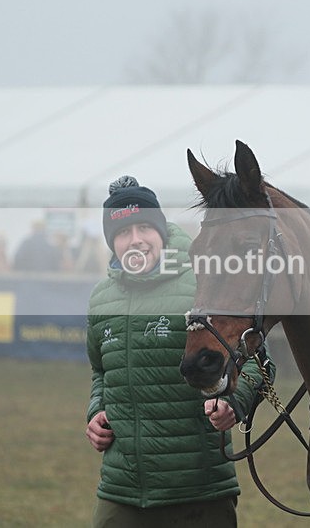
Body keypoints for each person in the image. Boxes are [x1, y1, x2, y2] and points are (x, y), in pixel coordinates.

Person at [83, 175, 274, 528]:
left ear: (162, 230)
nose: (135, 240)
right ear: (112, 242)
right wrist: (96, 411)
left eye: (144, 228)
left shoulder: (201, 282)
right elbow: (101, 372)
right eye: (123, 233)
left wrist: (234, 403)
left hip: (198, 494)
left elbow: (261, 362)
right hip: (122, 490)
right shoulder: (100, 299)